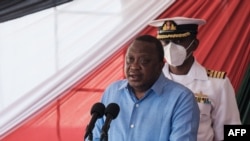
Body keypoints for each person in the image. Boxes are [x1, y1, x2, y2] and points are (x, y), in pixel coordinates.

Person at [90, 35, 200, 141]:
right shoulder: (112, 91)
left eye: (143, 61)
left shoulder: (181, 99)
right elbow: (94, 136)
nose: (134, 66)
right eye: (130, 59)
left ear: (160, 66)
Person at [149, 17, 241, 141]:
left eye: (179, 40)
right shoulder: (151, 80)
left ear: (194, 44)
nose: (170, 47)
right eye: (165, 42)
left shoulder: (218, 83)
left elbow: (232, 130)